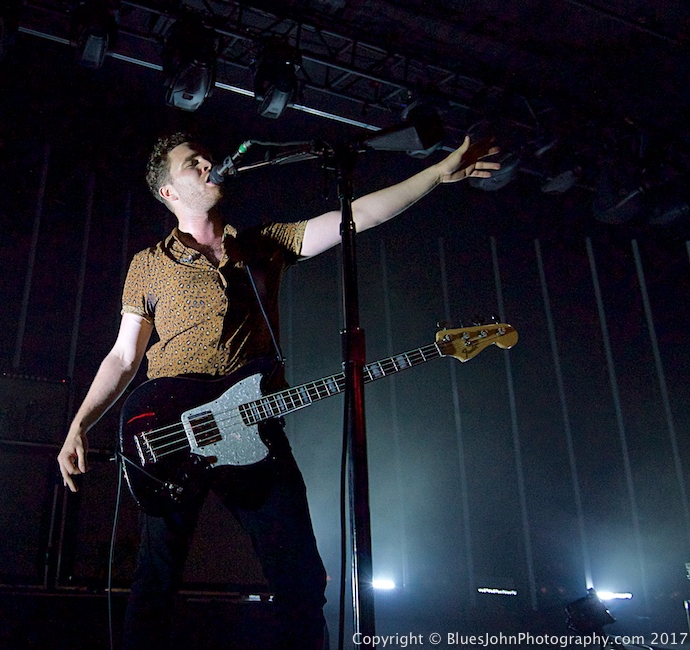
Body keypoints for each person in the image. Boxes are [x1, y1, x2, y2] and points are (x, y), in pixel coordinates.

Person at [57, 132, 500, 649]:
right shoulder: (148, 264)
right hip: (172, 430)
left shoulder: (263, 245)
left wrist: (436, 174)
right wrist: (78, 424)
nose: (207, 163)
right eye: (191, 163)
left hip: (255, 430)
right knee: (156, 579)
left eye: (205, 154)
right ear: (167, 193)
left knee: (301, 580)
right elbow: (124, 356)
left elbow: (359, 217)